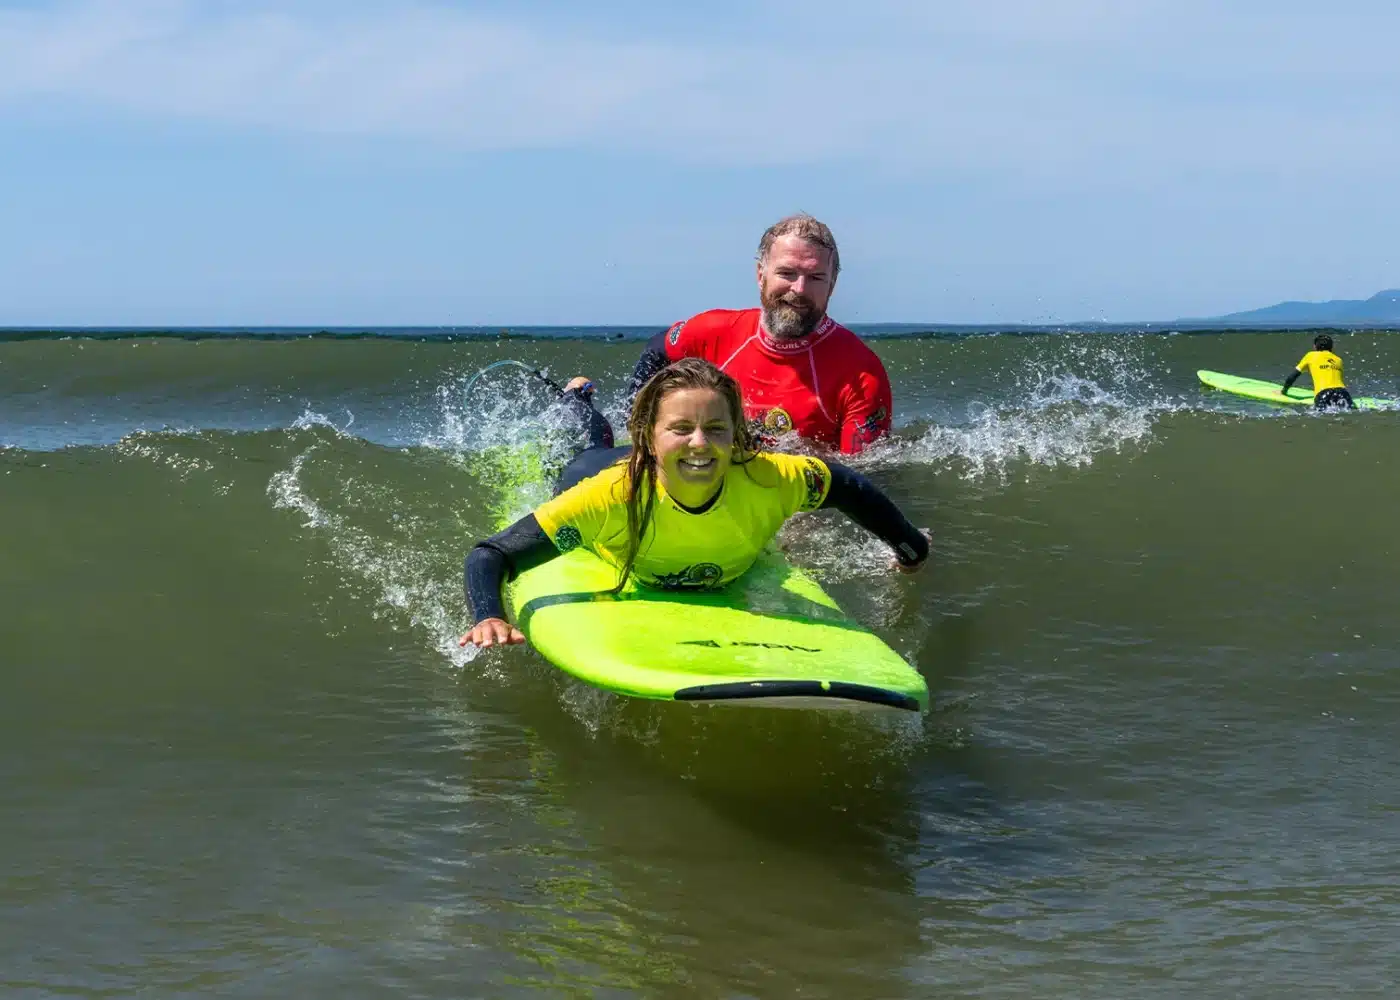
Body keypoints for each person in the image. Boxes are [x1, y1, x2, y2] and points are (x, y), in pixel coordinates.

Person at [461, 358, 930, 649]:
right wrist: (489, 616)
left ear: (737, 434)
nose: (701, 443)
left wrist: (910, 547)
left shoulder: (768, 476)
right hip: (596, 467)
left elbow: (845, 486)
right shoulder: (608, 497)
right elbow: (492, 554)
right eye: (681, 428)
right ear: (647, 434)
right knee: (588, 443)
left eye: (717, 428)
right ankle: (578, 399)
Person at [624, 214, 893, 456]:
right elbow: (658, 349)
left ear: (832, 285)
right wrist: (637, 426)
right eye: (787, 273)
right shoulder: (714, 331)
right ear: (760, 275)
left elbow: (862, 475)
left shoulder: (861, 374)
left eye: (816, 278)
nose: (799, 289)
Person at [1282, 334, 1355, 410]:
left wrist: (1283, 391)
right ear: (1332, 347)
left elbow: (1292, 376)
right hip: (1343, 393)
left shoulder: (1310, 355)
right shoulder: (1339, 360)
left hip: (1324, 393)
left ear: (1315, 346)